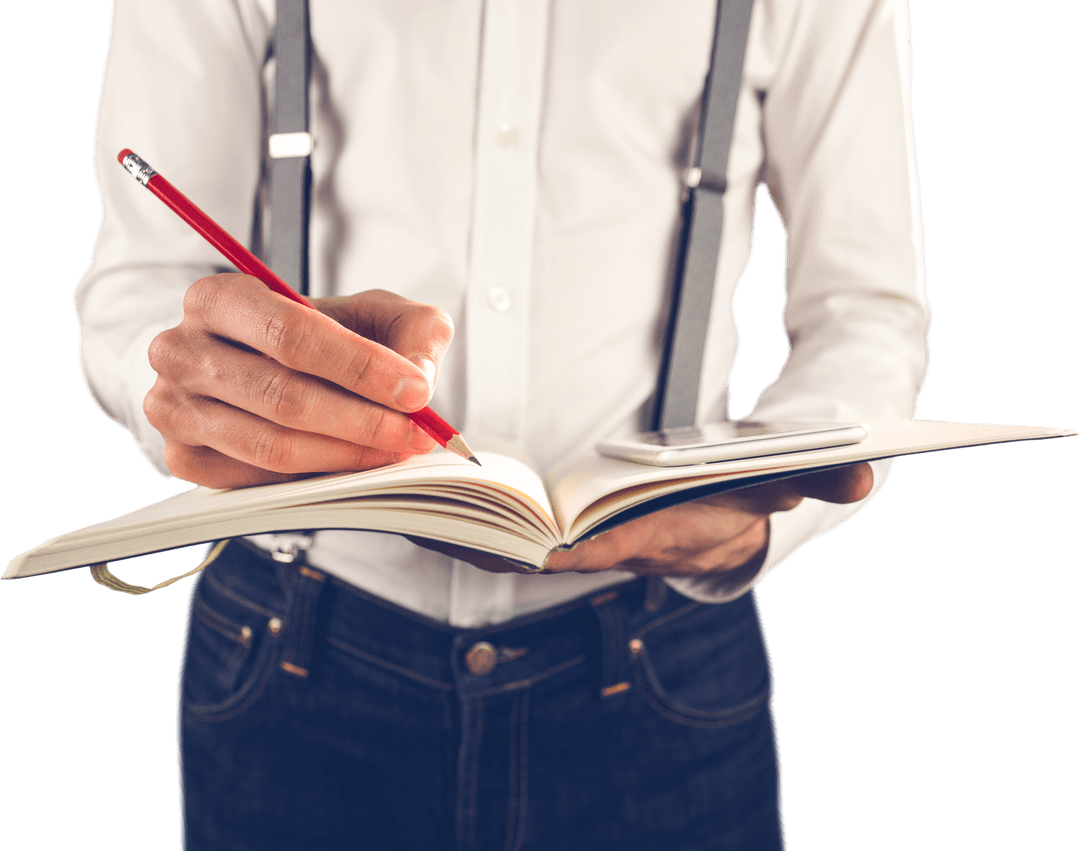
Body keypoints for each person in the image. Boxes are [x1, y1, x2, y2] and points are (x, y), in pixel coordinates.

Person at [75, 0, 930, 848]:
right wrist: (189, 386)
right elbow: (143, 280)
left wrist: (759, 515)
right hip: (287, 640)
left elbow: (867, 311)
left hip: (669, 656)